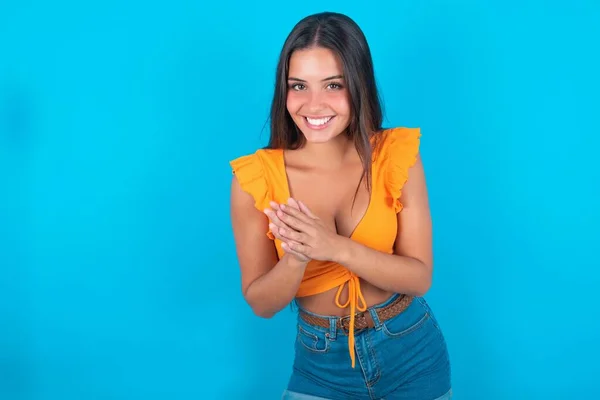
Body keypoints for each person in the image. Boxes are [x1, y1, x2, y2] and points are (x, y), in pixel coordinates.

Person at [229, 11, 452, 400]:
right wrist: (296, 257)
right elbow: (262, 303)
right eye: (298, 86)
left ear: (358, 84)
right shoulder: (256, 179)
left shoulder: (396, 157)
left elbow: (419, 278)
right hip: (321, 364)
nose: (313, 105)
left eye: (333, 85)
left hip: (412, 349)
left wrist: (333, 247)